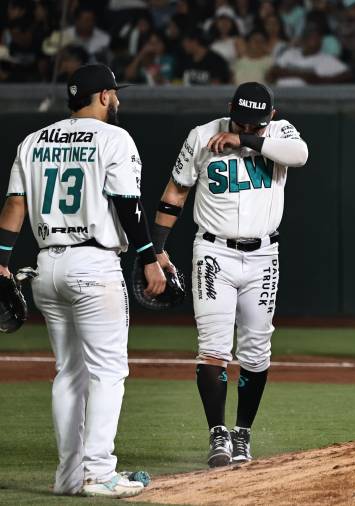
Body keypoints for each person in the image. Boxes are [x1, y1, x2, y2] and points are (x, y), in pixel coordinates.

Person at [0, 64, 166, 497]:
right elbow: (129, 204)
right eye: (115, 93)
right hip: (93, 264)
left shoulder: (33, 141)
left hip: (46, 265)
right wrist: (149, 257)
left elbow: (15, 204)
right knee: (108, 371)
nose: (118, 100)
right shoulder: (114, 138)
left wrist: (0, 260)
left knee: (68, 373)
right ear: (105, 96)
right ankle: (99, 472)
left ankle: (69, 477)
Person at [151, 82, 309, 466]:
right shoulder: (202, 135)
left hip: (263, 254)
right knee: (214, 347)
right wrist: (156, 248)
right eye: (240, 122)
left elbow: (300, 155)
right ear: (229, 109)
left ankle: (243, 434)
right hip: (213, 251)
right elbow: (176, 191)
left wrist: (245, 141)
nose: (247, 128)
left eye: (255, 124)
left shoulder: (280, 133)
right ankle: (217, 434)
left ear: (270, 117)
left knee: (256, 350)